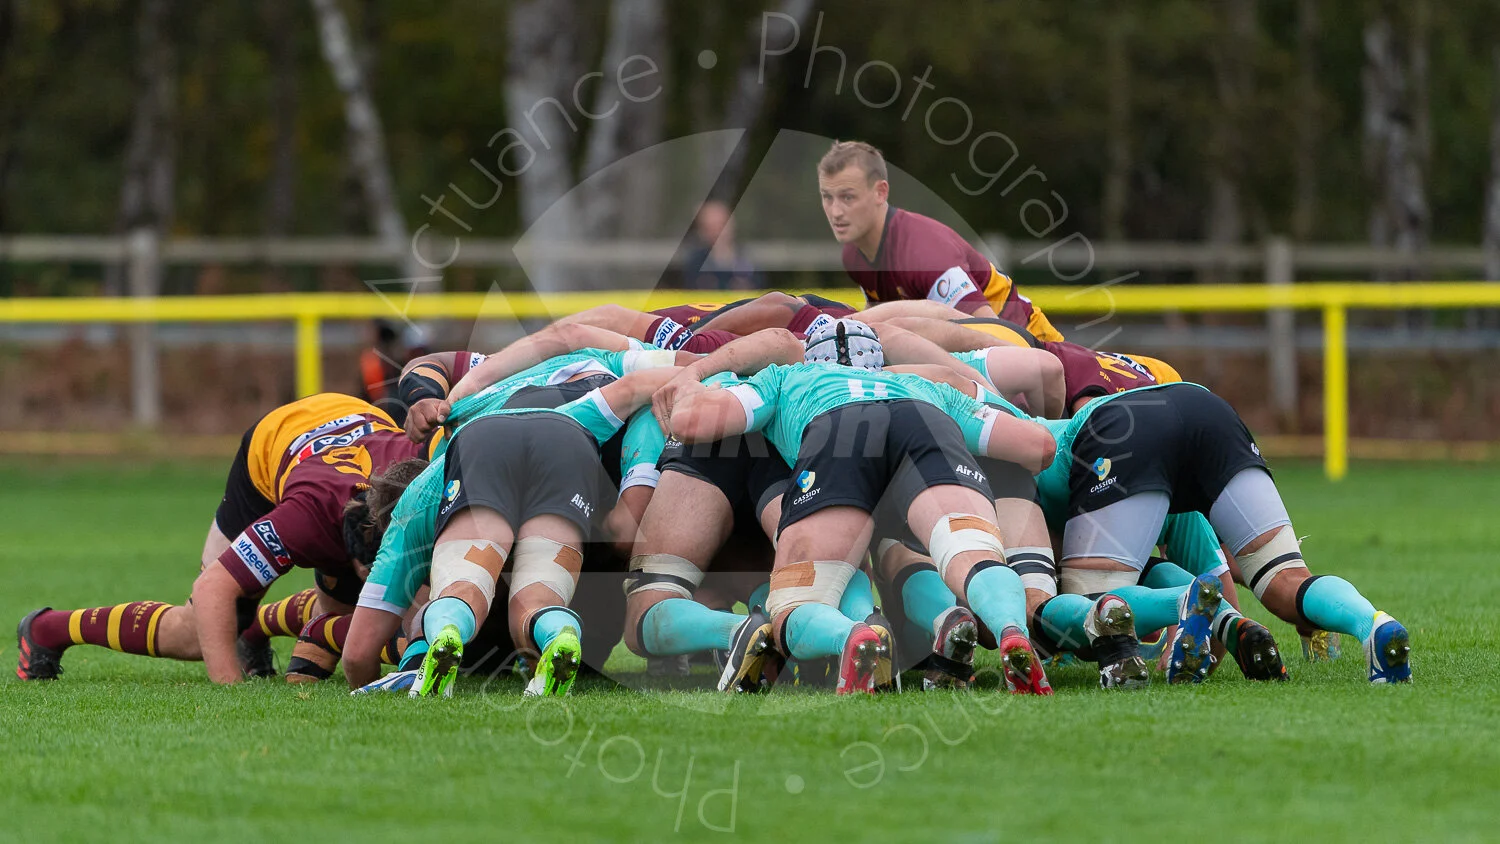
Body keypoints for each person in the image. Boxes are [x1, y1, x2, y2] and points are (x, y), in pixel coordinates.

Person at [659, 320, 1059, 694]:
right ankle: (1011, 631)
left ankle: (853, 637)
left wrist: (689, 385)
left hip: (837, 432)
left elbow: (693, 422)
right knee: (972, 554)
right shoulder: (922, 383)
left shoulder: (786, 377)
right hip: (921, 419)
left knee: (795, 605)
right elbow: (1039, 446)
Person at [17, 392, 440, 684]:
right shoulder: (302, 518)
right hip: (273, 443)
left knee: (392, 602)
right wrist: (229, 691)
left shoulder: (430, 477)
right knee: (196, 629)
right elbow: (212, 589)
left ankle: (262, 630)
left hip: (350, 418)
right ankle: (48, 628)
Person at [1033, 381, 1412, 684]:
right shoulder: (1169, 504)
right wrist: (1232, 631)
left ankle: (1176, 603)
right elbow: (1214, 586)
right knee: (1283, 578)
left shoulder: (1011, 472)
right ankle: (1372, 624)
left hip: (1121, 431)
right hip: (1206, 408)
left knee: (1093, 614)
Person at [816, 140, 1064, 342]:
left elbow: (994, 334)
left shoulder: (924, 253)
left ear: (881, 192)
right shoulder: (853, 254)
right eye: (827, 197)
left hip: (1035, 345)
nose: (835, 211)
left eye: (848, 198)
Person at [681, 200, 759, 291]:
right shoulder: (695, 263)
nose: (716, 232)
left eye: (720, 225)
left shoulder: (748, 258)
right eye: (709, 228)